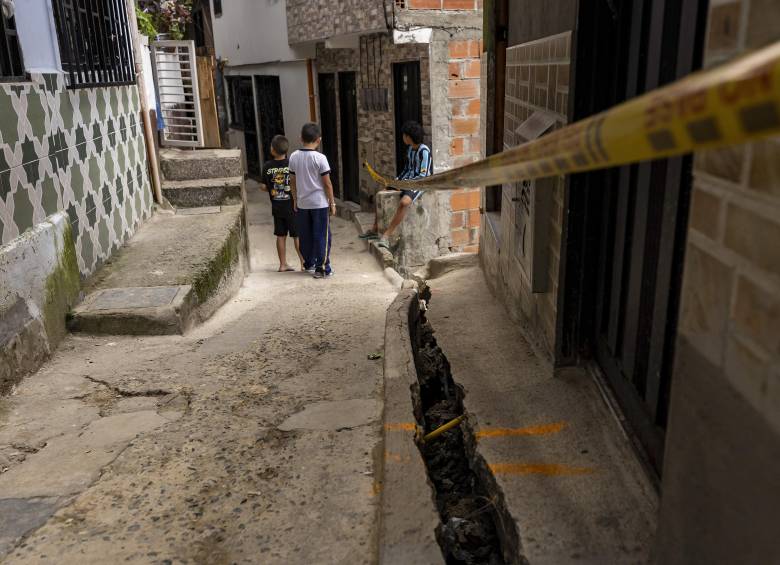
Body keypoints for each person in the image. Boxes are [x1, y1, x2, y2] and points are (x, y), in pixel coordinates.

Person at [360, 121, 432, 248]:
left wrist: (403, 184)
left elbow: (423, 175)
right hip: (406, 182)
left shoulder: (424, 151)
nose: (403, 137)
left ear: (409, 137)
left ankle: (386, 236)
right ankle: (374, 228)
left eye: (404, 135)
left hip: (418, 184)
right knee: (380, 194)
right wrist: (396, 181)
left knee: (404, 202)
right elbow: (407, 169)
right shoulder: (410, 149)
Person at [289, 123, 337, 279]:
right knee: (321, 234)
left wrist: (295, 199)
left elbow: (292, 181)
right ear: (319, 140)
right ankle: (322, 268)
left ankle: (309, 263)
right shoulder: (320, 158)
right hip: (319, 203)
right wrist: (332, 203)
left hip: (303, 203)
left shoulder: (294, 157)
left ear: (300, 138)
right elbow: (327, 183)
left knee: (306, 234)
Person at [260, 135, 305, 272]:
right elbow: (296, 181)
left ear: (272, 150)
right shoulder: (291, 163)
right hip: (292, 206)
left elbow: (263, 186)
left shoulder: (267, 166)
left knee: (281, 236)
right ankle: (303, 263)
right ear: (286, 150)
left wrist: (271, 187)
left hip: (277, 207)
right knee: (297, 235)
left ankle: (282, 264)